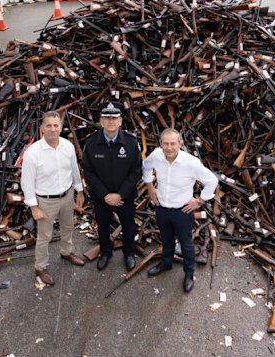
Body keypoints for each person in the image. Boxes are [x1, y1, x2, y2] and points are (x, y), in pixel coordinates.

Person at [142, 128, 218, 293]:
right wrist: (150, 188)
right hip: (162, 208)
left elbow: (212, 180)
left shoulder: (191, 163)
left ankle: (189, 274)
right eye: (165, 144)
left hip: (182, 211)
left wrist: (200, 201)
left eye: (173, 144)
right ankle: (166, 263)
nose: (169, 147)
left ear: (180, 144)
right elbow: (145, 167)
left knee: (186, 244)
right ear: (160, 144)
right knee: (166, 239)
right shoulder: (156, 155)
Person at [21, 111, 86, 286]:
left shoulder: (67, 146)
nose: (52, 129)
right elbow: (26, 182)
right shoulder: (33, 153)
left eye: (56, 125)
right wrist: (34, 207)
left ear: (61, 127)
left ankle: (66, 252)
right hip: (46, 201)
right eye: (48, 125)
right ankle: (40, 267)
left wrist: (79, 191)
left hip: (67, 195)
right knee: (44, 236)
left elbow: (74, 170)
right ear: (42, 128)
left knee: (68, 227)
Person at [82, 101, 142, 271]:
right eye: (106, 118)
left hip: (125, 196)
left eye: (114, 118)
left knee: (129, 225)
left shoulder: (131, 143)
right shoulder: (92, 143)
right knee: (102, 225)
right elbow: (88, 171)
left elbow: (136, 171)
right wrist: (105, 195)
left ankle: (129, 253)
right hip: (102, 197)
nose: (110, 122)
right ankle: (105, 252)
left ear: (121, 121)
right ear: (100, 121)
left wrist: (120, 194)